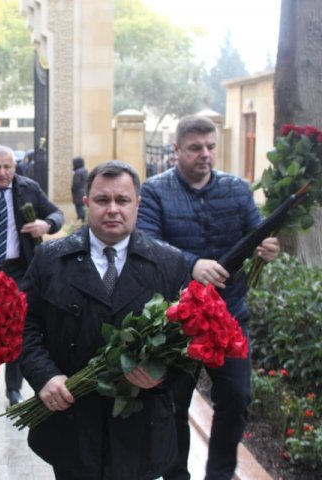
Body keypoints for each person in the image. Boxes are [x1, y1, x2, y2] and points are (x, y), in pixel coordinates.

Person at [19, 160, 190, 479]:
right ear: (86, 204)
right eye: (102, 200)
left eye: (122, 200)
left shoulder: (169, 263)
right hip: (71, 424)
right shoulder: (51, 259)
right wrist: (44, 377)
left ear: (137, 204)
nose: (113, 209)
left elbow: (190, 345)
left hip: (141, 428)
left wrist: (161, 376)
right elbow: (24, 326)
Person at [136, 114, 280, 480]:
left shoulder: (236, 188)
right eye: (195, 148)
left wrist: (266, 246)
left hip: (230, 316)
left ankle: (219, 474)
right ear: (177, 150)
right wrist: (192, 264)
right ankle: (175, 475)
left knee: (237, 397)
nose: (205, 155)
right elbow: (148, 245)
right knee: (171, 405)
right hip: (177, 322)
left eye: (211, 147)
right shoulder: (154, 191)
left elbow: (255, 232)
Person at [0, 145, 64, 405]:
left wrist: (47, 224)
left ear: (15, 167)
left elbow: (57, 213)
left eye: (7, 167)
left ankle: (13, 388)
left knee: (16, 329)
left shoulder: (29, 188)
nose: (2, 172)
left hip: (19, 270)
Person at [71, 156, 88, 222]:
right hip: (85, 192)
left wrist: (72, 189)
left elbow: (76, 184)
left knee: (79, 210)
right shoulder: (85, 171)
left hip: (78, 194)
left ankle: (80, 222)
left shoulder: (78, 172)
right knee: (83, 209)